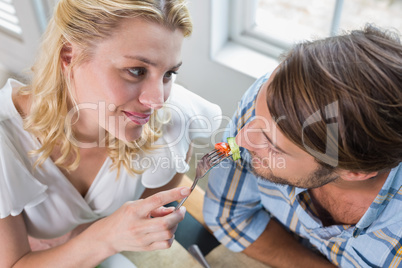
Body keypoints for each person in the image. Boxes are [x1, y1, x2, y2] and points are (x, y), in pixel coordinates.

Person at [0, 0, 222, 267]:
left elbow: (150, 211)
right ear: (69, 56)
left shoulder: (173, 120)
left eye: (169, 74)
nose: (157, 100)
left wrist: (113, 237)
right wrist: (106, 237)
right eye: (137, 71)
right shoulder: (6, 140)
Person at [203, 24, 402, 267]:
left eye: (274, 146)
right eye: (256, 116)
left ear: (356, 172)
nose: (242, 138)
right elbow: (229, 218)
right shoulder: (270, 99)